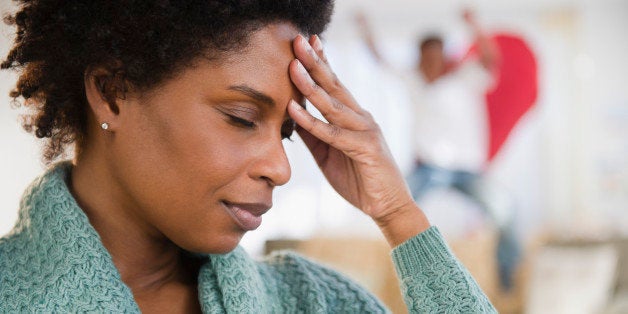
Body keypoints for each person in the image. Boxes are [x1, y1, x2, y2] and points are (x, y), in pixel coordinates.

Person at [0, 1, 496, 313]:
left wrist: (398, 214)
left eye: (287, 132)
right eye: (240, 117)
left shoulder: (313, 301)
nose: (280, 168)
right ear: (112, 93)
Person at [358, 10, 520, 290]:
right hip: (429, 167)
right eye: (426, 57)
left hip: (467, 168)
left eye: (436, 56)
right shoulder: (413, 80)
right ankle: (392, 271)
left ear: (445, 57)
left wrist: (474, 25)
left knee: (504, 209)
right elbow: (379, 59)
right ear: (419, 58)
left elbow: (492, 59)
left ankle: (507, 276)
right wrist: (364, 28)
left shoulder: (466, 76)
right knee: (389, 208)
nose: (431, 63)